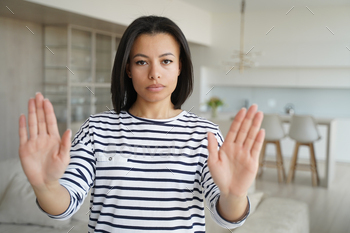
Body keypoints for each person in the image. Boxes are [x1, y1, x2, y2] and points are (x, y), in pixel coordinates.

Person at [18, 15, 265, 232]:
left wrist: (235, 195)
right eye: (141, 61)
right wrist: (45, 186)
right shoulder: (96, 129)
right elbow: (64, 205)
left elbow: (228, 218)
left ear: (180, 67)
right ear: (127, 69)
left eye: (166, 61)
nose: (154, 73)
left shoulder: (204, 134)